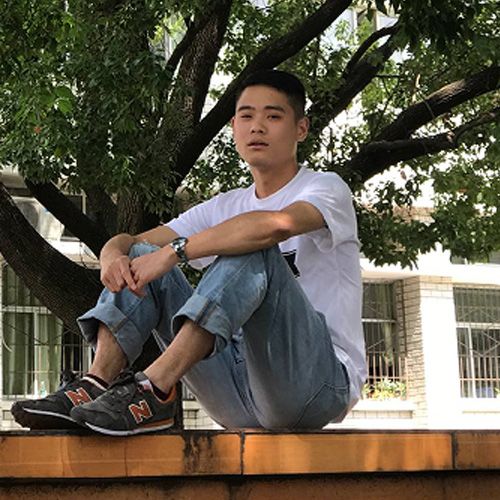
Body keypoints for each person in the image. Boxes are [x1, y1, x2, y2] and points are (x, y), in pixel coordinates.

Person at [12, 69, 366, 436]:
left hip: (317, 385)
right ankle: (96, 383)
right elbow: (132, 243)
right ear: (233, 127)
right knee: (146, 253)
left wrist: (175, 252)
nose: (257, 127)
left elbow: (274, 227)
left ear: (301, 128)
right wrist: (112, 256)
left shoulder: (326, 189)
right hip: (233, 391)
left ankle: (153, 389)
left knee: (253, 245)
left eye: (273, 116)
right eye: (246, 116)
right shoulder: (226, 204)